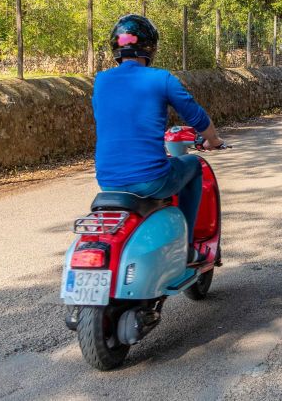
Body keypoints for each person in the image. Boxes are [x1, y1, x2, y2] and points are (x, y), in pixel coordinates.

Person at [92, 14, 225, 264]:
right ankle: (185, 247)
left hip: (108, 180)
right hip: (150, 180)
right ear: (150, 47)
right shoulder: (160, 79)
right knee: (194, 166)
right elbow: (196, 117)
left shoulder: (100, 82)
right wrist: (214, 140)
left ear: (115, 47)